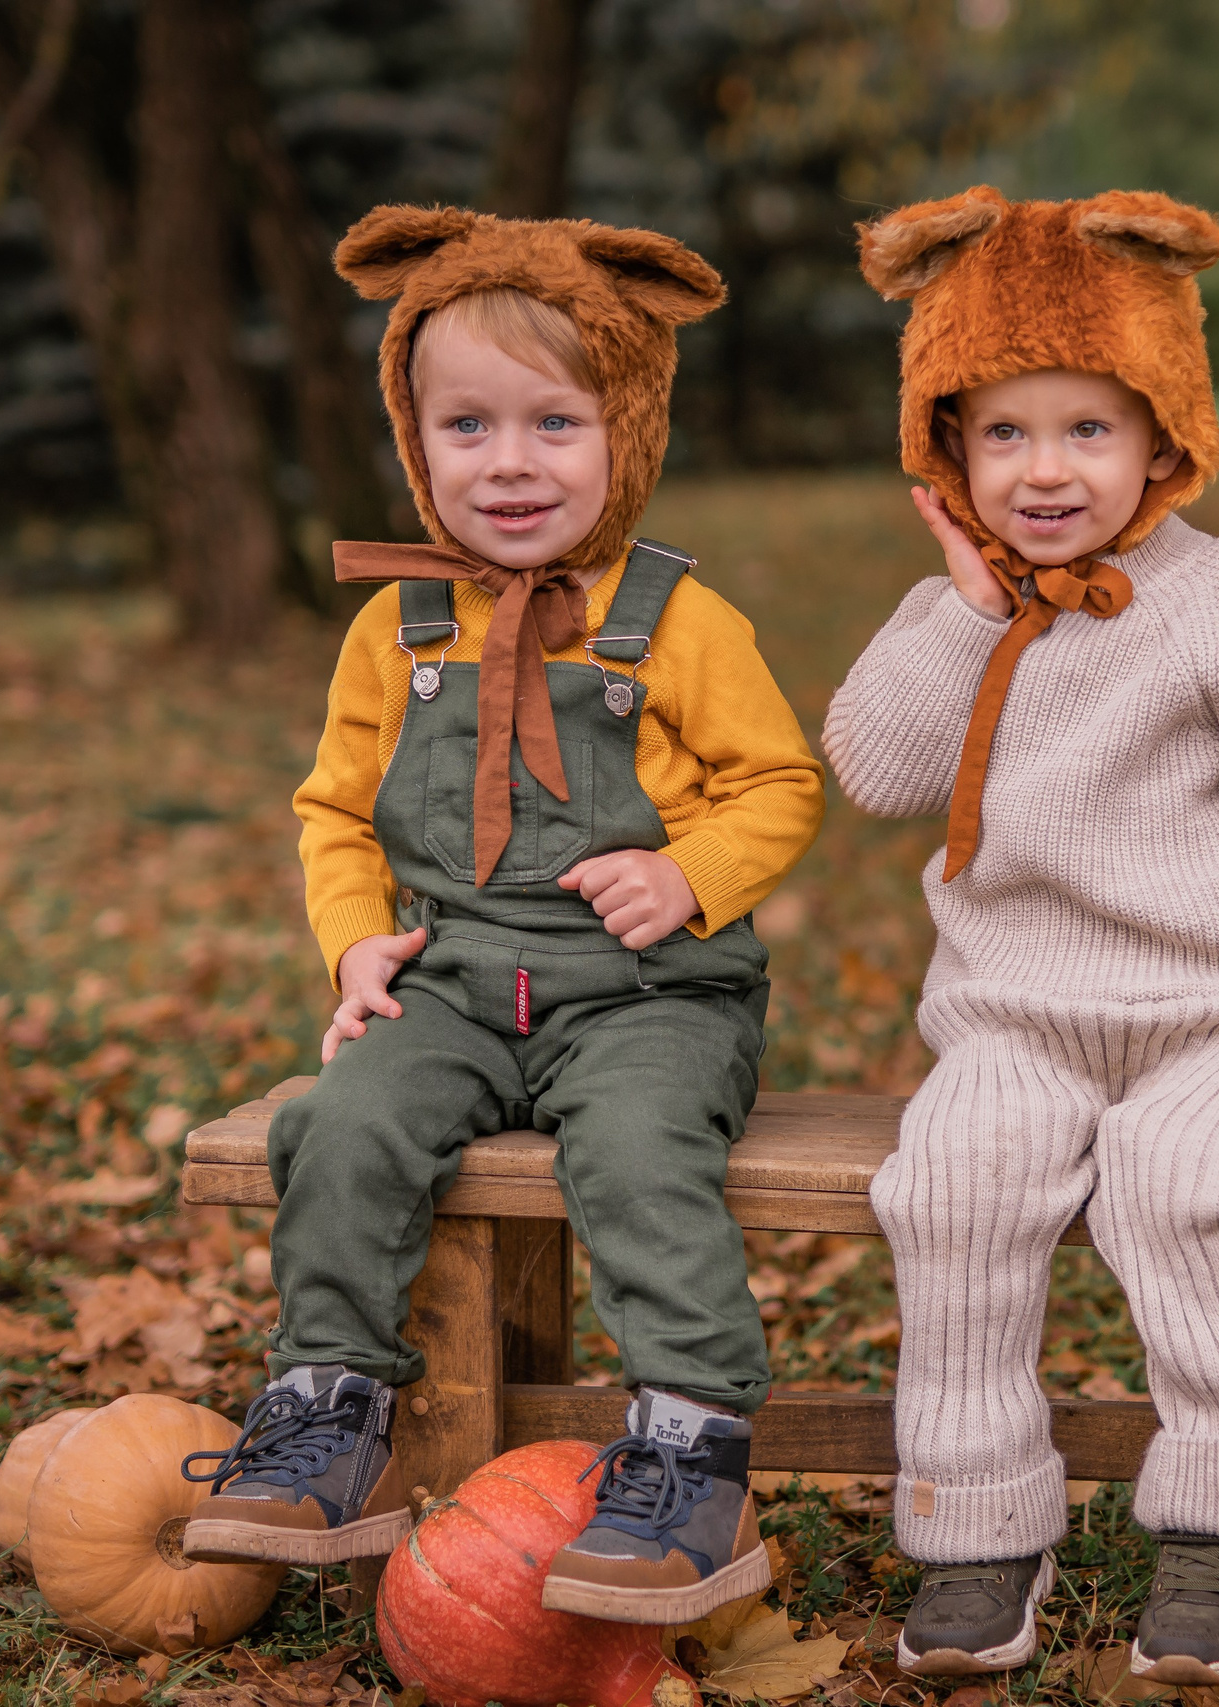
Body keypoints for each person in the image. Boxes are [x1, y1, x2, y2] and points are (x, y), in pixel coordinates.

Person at [175, 206, 825, 1629]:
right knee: (342, 1122)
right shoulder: (398, 630)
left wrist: (691, 872)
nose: (512, 462)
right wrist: (356, 943)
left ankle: (688, 1451)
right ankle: (325, 1407)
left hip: (654, 997)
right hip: (461, 985)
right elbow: (335, 813)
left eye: (555, 422)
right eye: (466, 426)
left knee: (644, 1155)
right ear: (415, 441)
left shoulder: (675, 620)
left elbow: (779, 779)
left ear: (628, 427)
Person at [823, 187, 1219, 1685]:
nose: (1044, 471)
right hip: (1018, 1021)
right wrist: (964, 613)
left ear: (1163, 439)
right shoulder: (952, 611)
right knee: (950, 1182)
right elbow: (875, 771)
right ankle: (974, 1525)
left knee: (1184, 1176)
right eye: (1004, 433)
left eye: (1088, 430)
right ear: (946, 450)